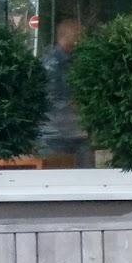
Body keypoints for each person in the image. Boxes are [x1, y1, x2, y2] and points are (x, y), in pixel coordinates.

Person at [39, 17, 92, 166]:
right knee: (56, 180)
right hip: (55, 134)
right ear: (69, 36)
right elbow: (51, 99)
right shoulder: (51, 64)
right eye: (79, 36)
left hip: (76, 132)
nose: (82, 41)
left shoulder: (74, 61)